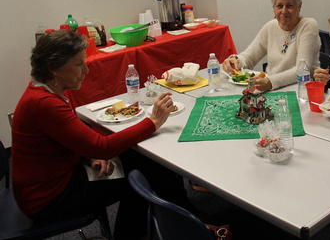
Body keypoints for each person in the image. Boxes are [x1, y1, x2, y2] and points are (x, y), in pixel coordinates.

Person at [11, 30, 194, 240]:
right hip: (49, 200)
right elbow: (103, 147)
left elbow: (73, 136)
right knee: (137, 179)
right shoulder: (43, 104)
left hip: (58, 179)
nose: (86, 69)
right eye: (79, 64)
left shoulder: (46, 91)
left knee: (145, 161)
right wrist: (152, 122)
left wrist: (89, 154)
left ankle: (185, 216)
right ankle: (183, 219)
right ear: (54, 68)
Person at [222, 0, 320, 90]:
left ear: (299, 6)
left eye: (290, 6)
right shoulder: (271, 27)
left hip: (300, 90)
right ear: (273, 7)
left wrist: (271, 82)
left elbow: (302, 70)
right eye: (279, 6)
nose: (284, 11)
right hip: (273, 88)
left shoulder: (308, 26)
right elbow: (249, 57)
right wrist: (236, 61)